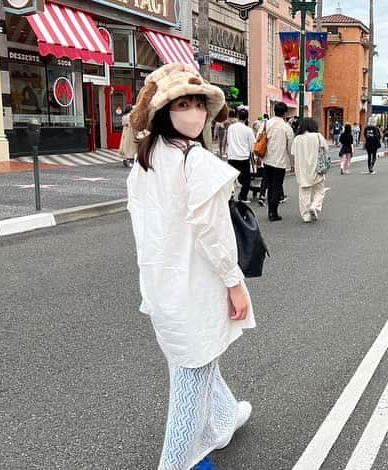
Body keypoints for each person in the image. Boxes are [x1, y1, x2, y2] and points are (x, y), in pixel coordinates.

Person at [126, 63, 254, 470]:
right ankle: (176, 462)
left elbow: (143, 226)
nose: (195, 112)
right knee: (190, 378)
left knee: (196, 360)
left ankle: (224, 416)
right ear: (166, 111)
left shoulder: (146, 161)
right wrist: (235, 283)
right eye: (183, 103)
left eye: (199, 103)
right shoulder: (195, 161)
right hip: (196, 286)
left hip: (162, 285)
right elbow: (215, 234)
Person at [292, 118, 328, 223]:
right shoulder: (318, 136)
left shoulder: (297, 139)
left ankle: (306, 215)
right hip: (317, 168)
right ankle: (315, 206)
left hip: (302, 169)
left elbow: (293, 153)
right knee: (320, 190)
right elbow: (325, 149)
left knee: (304, 193)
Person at [264, 102, 294, 221]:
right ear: (284, 113)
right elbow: (290, 147)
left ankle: (270, 211)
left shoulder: (267, 124)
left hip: (267, 160)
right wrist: (292, 164)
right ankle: (273, 212)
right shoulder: (286, 127)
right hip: (280, 162)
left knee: (270, 187)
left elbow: (259, 139)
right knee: (277, 187)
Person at [224, 108, 256, 204]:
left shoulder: (231, 128)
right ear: (247, 118)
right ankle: (243, 196)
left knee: (231, 179)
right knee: (246, 179)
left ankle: (230, 196)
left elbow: (228, 141)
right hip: (243, 157)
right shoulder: (248, 130)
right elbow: (252, 145)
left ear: (237, 116)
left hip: (232, 156)